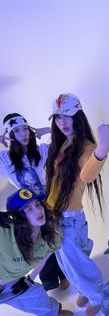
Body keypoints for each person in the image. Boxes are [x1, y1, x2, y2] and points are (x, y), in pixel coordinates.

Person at [46, 93, 109, 316]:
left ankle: (98, 296)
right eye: (57, 118)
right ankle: (86, 290)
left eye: (67, 116)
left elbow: (87, 174)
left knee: (77, 265)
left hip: (69, 220)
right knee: (69, 262)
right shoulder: (63, 144)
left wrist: (103, 149)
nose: (62, 122)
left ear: (78, 117)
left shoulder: (87, 147)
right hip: (58, 217)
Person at [0, 113, 69, 291]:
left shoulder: (42, 151)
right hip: (27, 208)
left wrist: (45, 130)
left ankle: (64, 274)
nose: (24, 134)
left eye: (25, 129)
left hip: (49, 202)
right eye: (17, 131)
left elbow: (67, 139)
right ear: (10, 135)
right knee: (39, 243)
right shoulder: (6, 159)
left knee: (56, 239)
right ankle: (50, 281)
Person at [0, 188, 72, 316]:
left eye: (38, 204)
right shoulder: (5, 233)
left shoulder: (52, 237)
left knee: (36, 293)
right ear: (19, 217)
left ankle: (55, 313)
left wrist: (29, 279)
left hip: (12, 283)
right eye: (29, 209)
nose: (38, 211)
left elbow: (43, 259)